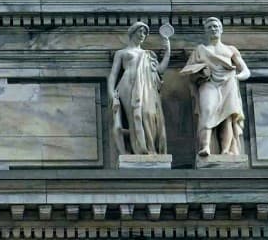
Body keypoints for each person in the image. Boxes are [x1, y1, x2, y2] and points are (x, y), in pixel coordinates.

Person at [179, 17, 251, 157]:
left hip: (229, 83)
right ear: (206, 31)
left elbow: (245, 70)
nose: (213, 29)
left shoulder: (230, 50)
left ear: (221, 29)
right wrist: (200, 71)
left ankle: (225, 150)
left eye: (216, 26)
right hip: (208, 83)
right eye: (210, 27)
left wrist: (237, 77)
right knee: (207, 110)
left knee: (227, 117)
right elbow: (188, 71)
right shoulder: (200, 50)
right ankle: (205, 146)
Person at [106, 22, 166, 156]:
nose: (143, 35)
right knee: (134, 117)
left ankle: (150, 148)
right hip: (127, 85)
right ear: (132, 33)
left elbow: (159, 71)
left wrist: (167, 52)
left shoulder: (148, 54)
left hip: (147, 87)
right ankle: (139, 150)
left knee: (148, 114)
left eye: (145, 33)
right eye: (140, 31)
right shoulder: (122, 53)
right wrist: (112, 95)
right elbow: (113, 75)